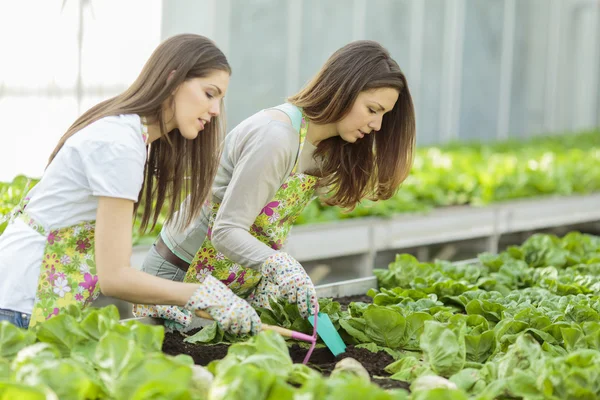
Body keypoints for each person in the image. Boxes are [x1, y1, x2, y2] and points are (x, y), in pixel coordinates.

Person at [136, 40, 416, 329]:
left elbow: (269, 224)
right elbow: (226, 230)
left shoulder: (325, 144)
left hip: (228, 283)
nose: (377, 125)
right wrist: (279, 264)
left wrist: (269, 274)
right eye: (373, 109)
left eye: (384, 115)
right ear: (344, 90)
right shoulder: (277, 137)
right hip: (182, 277)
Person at [0, 34, 262, 336]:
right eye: (209, 93)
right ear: (173, 80)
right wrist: (196, 294)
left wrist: (158, 297)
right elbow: (115, 277)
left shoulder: (126, 133)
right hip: (22, 299)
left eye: (220, 99)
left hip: (24, 292)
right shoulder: (121, 146)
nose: (216, 110)